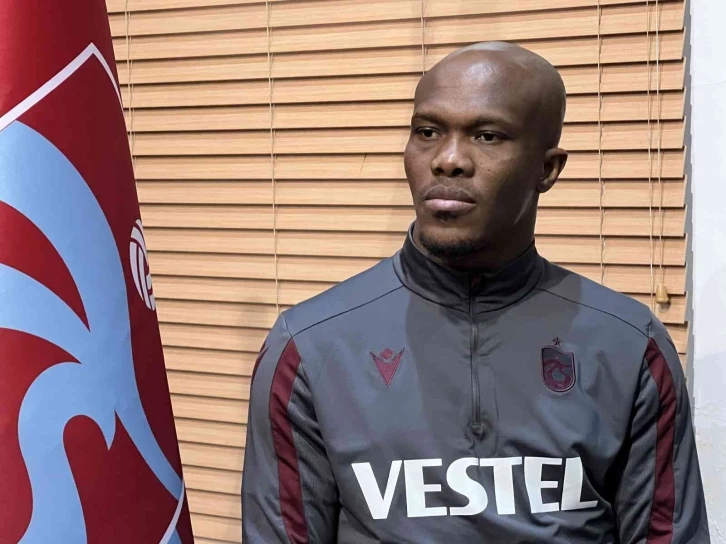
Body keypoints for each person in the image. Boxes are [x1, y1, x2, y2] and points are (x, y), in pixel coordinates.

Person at [242, 42, 709, 543]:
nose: (447, 160)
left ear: (547, 169)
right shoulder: (308, 347)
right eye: (427, 132)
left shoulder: (630, 346)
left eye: (487, 136)